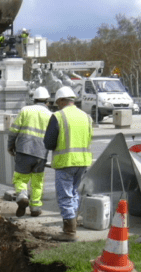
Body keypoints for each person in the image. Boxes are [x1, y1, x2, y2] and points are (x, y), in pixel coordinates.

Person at [43, 86, 93, 242]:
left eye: (58, 103)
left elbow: (49, 143)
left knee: (65, 195)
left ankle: (69, 231)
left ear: (61, 101)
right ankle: (73, 222)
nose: (57, 106)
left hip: (66, 162)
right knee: (74, 193)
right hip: (83, 162)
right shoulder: (86, 117)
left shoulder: (58, 116)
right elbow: (89, 138)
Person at [7, 87, 52, 217]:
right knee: (38, 182)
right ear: (47, 101)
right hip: (41, 154)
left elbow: (13, 131)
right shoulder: (50, 115)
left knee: (20, 178)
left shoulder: (25, 110)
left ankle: (22, 196)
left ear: (34, 99)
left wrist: (10, 146)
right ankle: (35, 208)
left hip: (24, 150)